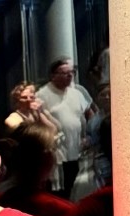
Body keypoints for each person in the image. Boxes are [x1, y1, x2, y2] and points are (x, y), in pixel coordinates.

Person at [35, 59, 94, 197]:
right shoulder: (42, 95)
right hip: (57, 153)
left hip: (77, 150)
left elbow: (90, 113)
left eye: (71, 72)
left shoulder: (76, 93)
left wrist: (89, 136)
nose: (69, 76)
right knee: (60, 190)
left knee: (74, 187)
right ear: (53, 75)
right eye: (64, 73)